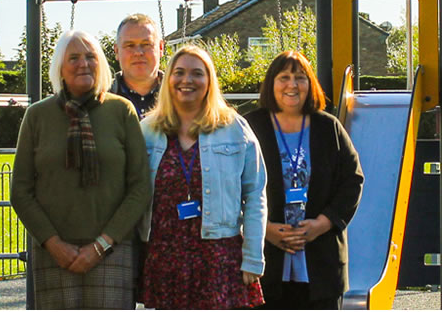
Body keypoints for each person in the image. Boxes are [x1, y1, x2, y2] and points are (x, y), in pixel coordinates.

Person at [10, 31, 152, 309]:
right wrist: (53, 245)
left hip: (112, 251)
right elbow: (21, 191)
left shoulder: (122, 111)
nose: (83, 64)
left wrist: (102, 244)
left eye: (90, 57)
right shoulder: (37, 116)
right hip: (53, 254)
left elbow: (140, 186)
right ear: (59, 68)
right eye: (73, 57)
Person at [138, 45, 267, 310]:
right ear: (168, 79)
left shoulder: (234, 128)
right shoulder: (147, 130)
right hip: (165, 258)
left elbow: (255, 193)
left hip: (219, 258)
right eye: (179, 72)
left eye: (197, 73)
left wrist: (253, 258)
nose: (187, 80)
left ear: (209, 81)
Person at [242, 51, 364, 310]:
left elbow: (352, 181)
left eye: (300, 78)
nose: (292, 85)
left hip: (321, 264)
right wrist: (265, 230)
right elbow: (231, 187)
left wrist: (323, 223)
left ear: (310, 84)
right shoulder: (250, 127)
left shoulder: (328, 127)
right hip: (266, 263)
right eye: (283, 77)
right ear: (271, 83)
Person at [111, 13, 164, 116]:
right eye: (130, 45)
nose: (138, 52)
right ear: (117, 51)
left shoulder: (181, 95)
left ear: (161, 48)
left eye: (146, 44)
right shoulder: (99, 100)